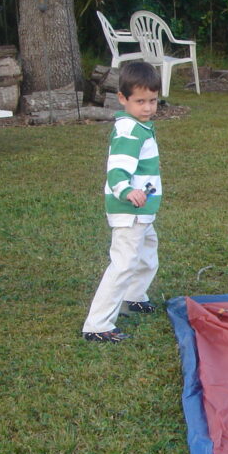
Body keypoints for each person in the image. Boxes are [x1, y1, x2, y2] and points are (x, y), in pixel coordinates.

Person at [82, 61, 164, 342]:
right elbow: (117, 168)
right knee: (123, 263)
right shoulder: (129, 131)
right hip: (129, 209)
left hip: (142, 211)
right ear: (122, 99)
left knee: (146, 252)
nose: (148, 108)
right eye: (140, 101)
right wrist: (125, 189)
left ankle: (133, 296)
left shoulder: (140, 127)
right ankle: (98, 324)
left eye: (152, 101)